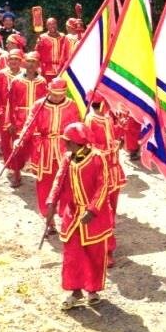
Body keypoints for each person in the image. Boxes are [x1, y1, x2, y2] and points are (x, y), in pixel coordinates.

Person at [48, 121, 115, 310]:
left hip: (95, 218)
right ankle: (75, 290)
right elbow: (59, 181)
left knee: (95, 254)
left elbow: (104, 186)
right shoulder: (67, 158)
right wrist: (52, 203)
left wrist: (92, 209)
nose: (65, 145)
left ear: (77, 143)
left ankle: (92, 290)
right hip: (73, 214)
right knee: (72, 254)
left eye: (67, 141)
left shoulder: (97, 158)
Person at [9, 81, 81, 216]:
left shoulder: (71, 105)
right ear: (48, 91)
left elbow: (77, 126)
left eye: (60, 95)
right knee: (45, 184)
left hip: (65, 148)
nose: (57, 98)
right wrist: (21, 139)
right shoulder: (39, 105)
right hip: (45, 149)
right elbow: (29, 124)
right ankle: (48, 217)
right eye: (54, 94)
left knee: (68, 182)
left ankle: (66, 215)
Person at [85, 98, 126, 261]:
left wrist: (120, 132)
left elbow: (114, 138)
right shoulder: (90, 120)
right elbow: (89, 146)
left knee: (112, 208)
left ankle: (107, 241)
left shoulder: (108, 117)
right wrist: (108, 149)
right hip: (100, 171)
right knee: (103, 208)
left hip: (114, 169)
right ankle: (106, 247)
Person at [2, 51, 46, 167]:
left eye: (34, 62)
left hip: (36, 119)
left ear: (38, 64)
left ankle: (36, 170)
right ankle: (16, 171)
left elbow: (45, 104)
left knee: (36, 146)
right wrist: (10, 122)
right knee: (18, 147)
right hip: (20, 119)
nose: (31, 64)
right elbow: (11, 103)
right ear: (24, 63)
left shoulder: (42, 81)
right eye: (28, 61)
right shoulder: (16, 81)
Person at [0, 48, 23, 162]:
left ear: (21, 61)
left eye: (16, 59)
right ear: (7, 60)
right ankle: (9, 162)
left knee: (20, 137)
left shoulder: (25, 74)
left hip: (20, 112)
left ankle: (19, 162)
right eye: (11, 59)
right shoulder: (2, 74)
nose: (13, 61)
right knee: (5, 137)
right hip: (5, 111)